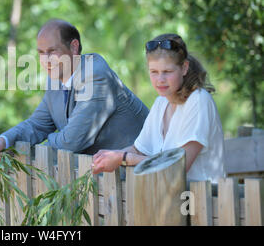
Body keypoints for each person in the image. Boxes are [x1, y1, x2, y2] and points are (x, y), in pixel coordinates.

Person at [0, 19, 149, 155]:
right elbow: (38, 125)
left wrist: (32, 150)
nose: (46, 60)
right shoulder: (56, 80)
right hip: (97, 180)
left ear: (73, 47)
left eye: (52, 51)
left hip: (133, 176)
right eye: (41, 53)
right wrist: (5, 140)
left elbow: (71, 142)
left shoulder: (96, 76)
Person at [92, 34, 225, 182]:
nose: (160, 80)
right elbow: (139, 149)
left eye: (167, 72)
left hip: (203, 200)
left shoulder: (199, 100)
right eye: (154, 72)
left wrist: (123, 158)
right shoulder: (161, 102)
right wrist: (109, 156)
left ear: (184, 68)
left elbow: (178, 167)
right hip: (171, 198)